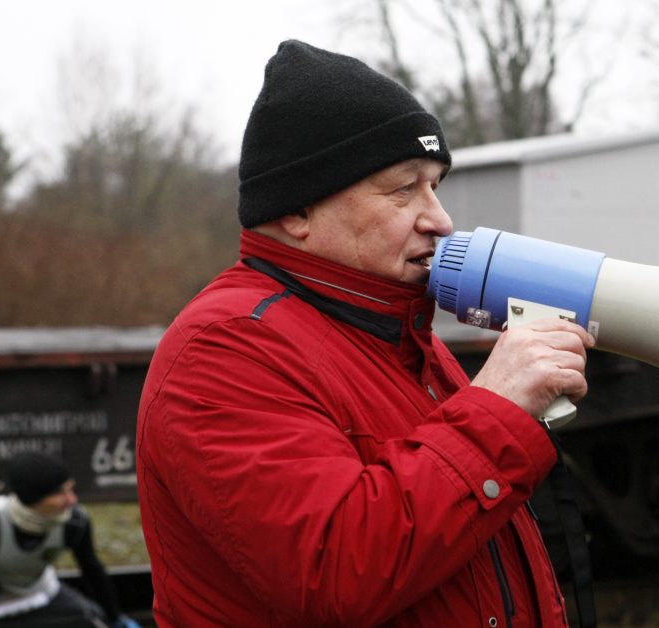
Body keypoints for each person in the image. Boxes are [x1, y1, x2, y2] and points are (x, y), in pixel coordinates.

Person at [136, 40, 595, 627]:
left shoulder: (395, 334)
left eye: (435, 185)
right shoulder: (224, 349)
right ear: (295, 212)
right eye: (404, 188)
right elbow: (335, 572)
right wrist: (498, 407)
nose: (440, 218)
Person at [0, 452, 139, 628]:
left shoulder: (74, 522)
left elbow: (92, 569)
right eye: (61, 493)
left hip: (41, 593)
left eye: (71, 489)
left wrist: (113, 617)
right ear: (33, 498)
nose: (72, 499)